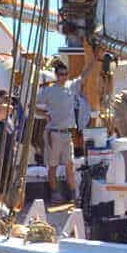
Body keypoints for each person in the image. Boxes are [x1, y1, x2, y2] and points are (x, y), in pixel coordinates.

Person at [39, 59, 90, 201]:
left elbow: (84, 75)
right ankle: (55, 194)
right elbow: (33, 104)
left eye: (66, 74)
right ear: (56, 75)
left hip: (67, 134)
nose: (64, 76)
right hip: (53, 135)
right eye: (61, 74)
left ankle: (74, 195)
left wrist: (92, 60)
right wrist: (44, 114)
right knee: (53, 166)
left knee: (70, 165)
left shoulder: (71, 87)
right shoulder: (48, 91)